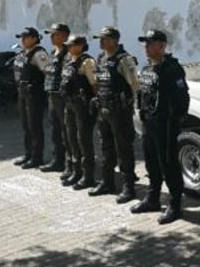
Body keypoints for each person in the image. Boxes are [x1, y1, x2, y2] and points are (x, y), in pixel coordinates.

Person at [131, 29, 189, 225]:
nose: (146, 47)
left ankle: (175, 205)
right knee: (151, 163)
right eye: (145, 43)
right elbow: (142, 92)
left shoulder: (172, 69)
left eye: (150, 43)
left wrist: (174, 121)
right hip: (149, 123)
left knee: (168, 165)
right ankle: (152, 198)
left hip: (165, 125)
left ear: (162, 46)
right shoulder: (147, 68)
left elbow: (182, 99)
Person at [89, 26, 139, 203]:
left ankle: (128, 187)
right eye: (99, 39)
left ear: (115, 40)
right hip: (103, 110)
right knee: (106, 147)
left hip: (120, 112)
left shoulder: (124, 60)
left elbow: (135, 85)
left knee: (124, 148)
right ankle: (107, 182)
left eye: (104, 39)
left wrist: (136, 109)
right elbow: (98, 82)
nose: (101, 42)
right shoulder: (101, 58)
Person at [59, 34, 97, 190]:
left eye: (73, 45)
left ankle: (88, 176)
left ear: (81, 45)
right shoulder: (69, 60)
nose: (69, 48)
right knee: (71, 138)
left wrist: (94, 104)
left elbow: (94, 84)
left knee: (84, 140)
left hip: (82, 105)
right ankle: (77, 171)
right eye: (68, 46)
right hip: (69, 104)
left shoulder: (87, 62)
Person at [12, 27, 50, 169]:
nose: (22, 40)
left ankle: (37, 157)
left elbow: (48, 72)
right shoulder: (24, 53)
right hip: (23, 94)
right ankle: (28, 154)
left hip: (35, 95)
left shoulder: (39, 54)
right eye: (21, 37)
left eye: (26, 37)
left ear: (34, 38)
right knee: (26, 126)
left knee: (35, 126)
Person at [39, 23, 70, 174]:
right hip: (52, 97)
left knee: (67, 132)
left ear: (64, 36)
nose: (51, 37)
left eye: (55, 34)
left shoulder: (68, 54)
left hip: (63, 99)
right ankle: (57, 160)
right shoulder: (53, 52)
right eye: (50, 34)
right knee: (55, 132)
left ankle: (71, 164)